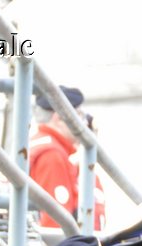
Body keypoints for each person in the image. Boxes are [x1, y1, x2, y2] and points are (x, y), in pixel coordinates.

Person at [28, 86, 105, 231]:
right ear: (59, 119)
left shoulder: (45, 146)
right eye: (80, 115)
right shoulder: (52, 154)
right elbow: (55, 223)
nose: (85, 123)